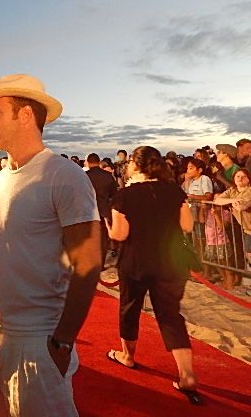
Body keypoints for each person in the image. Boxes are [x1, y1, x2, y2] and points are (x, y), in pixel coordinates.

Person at [0, 74, 101, 417]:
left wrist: (62, 341)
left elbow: (88, 262)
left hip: (35, 337)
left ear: (25, 115)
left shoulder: (64, 176)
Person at [104, 146, 200, 404]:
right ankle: (187, 374)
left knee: (129, 308)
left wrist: (109, 228)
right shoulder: (174, 191)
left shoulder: (125, 195)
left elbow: (120, 234)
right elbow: (187, 225)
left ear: (136, 165)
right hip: (170, 263)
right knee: (170, 316)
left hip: (136, 262)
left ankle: (127, 356)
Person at [213, 168, 251, 289]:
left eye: (244, 176)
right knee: (249, 254)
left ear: (249, 179)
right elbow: (217, 200)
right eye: (238, 176)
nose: (240, 178)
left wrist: (233, 202)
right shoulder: (232, 191)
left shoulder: (249, 190)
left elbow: (242, 206)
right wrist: (233, 200)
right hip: (247, 229)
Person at [85, 152, 118, 266]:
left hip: (88, 210)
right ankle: (101, 263)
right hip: (104, 210)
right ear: (99, 162)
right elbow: (114, 195)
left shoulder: (84, 176)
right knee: (103, 238)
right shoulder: (108, 176)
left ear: (88, 163)